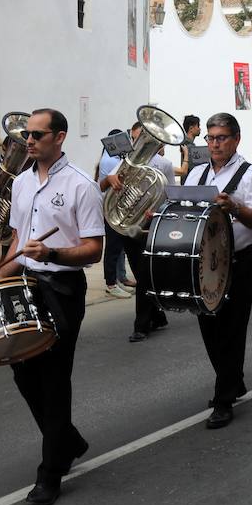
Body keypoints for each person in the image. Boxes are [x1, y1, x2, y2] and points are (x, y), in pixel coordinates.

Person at [0, 108, 104, 505]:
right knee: (23, 373)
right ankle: (67, 440)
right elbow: (17, 237)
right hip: (25, 285)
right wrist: (1, 274)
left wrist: (53, 252)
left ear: (59, 137)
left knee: (55, 379)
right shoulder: (22, 183)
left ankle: (50, 474)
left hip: (62, 288)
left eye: (37, 135)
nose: (29, 141)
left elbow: (94, 249)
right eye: (27, 134)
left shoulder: (81, 186)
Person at [185, 113, 252, 428]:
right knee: (209, 327)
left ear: (236, 139)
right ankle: (233, 380)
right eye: (210, 138)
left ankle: (223, 399)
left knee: (232, 330)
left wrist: (235, 207)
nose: (215, 144)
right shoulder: (196, 175)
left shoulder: (251, 175)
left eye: (221, 138)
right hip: (204, 263)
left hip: (238, 261)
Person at [99, 119, 173, 343]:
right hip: (129, 225)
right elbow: (102, 187)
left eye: (145, 139)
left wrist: (157, 211)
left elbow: (170, 194)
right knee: (143, 275)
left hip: (151, 226)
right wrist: (109, 180)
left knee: (143, 275)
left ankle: (141, 325)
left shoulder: (164, 164)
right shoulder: (124, 163)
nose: (140, 143)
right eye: (138, 138)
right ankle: (158, 316)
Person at [96, 129, 134, 299]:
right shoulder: (111, 160)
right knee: (113, 248)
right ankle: (111, 284)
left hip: (115, 207)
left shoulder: (114, 158)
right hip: (112, 209)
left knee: (117, 247)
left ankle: (117, 280)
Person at [174, 114, 201, 181]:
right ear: (191, 128)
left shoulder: (185, 144)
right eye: (198, 126)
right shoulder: (190, 147)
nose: (199, 129)